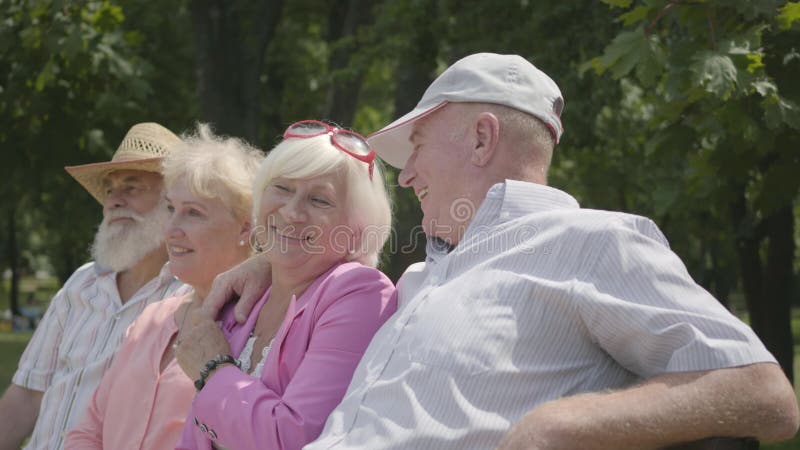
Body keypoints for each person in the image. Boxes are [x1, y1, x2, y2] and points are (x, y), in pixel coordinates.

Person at [204, 54, 799, 450]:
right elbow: (339, 278)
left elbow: (765, 394)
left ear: (482, 138)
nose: (406, 176)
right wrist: (268, 261)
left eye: (416, 146)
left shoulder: (591, 241)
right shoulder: (422, 274)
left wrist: (559, 424)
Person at [172, 120, 397, 450]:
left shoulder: (360, 292)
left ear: (356, 228)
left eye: (319, 201)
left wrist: (213, 370)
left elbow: (292, 439)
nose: (292, 212)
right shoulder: (248, 293)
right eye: (282, 189)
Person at [64, 125, 263, 449]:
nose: (171, 229)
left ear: (246, 227)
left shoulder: (263, 326)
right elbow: (88, 431)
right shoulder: (150, 319)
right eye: (171, 208)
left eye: (193, 213)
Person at [0, 122, 186, 450]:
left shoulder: (187, 296)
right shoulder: (81, 284)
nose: (114, 201)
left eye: (131, 187)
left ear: (172, 201)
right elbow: (27, 395)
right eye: (109, 190)